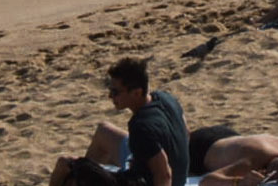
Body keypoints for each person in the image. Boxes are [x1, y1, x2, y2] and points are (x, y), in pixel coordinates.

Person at [50, 56, 187, 186]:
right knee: (103, 131)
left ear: (136, 93)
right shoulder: (167, 98)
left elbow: (164, 175)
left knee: (65, 164)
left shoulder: (141, 127)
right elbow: (186, 134)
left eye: (115, 92)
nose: (110, 96)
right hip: (173, 176)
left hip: (143, 182)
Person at [189, 134, 278, 184]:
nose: (267, 172)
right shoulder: (255, 158)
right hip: (200, 148)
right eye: (270, 169)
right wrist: (239, 182)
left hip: (231, 138)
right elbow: (206, 181)